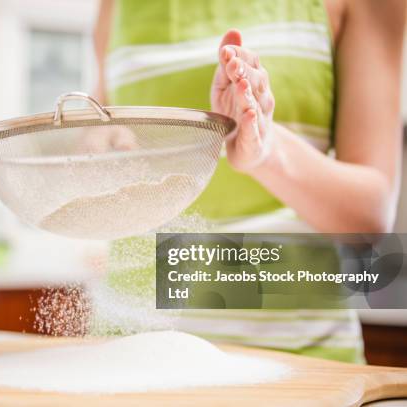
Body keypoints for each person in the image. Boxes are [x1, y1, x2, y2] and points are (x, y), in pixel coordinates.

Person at [91, 0, 405, 363]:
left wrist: (266, 151)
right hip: (131, 351)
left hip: (295, 361)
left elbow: (371, 213)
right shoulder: (113, 6)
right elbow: (103, 136)